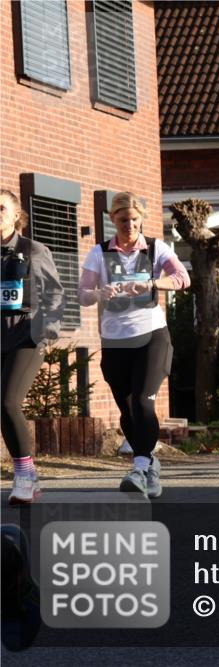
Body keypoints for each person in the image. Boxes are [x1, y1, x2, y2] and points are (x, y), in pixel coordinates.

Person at [79, 192, 190, 497]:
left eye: (134, 219)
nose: (129, 225)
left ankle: (139, 468)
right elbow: (83, 294)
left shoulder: (155, 248)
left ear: (142, 219)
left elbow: (182, 278)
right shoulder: (99, 253)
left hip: (151, 335)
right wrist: (99, 293)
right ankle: (150, 465)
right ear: (112, 219)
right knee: (128, 409)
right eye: (123, 220)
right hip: (115, 341)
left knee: (143, 401)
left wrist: (153, 283)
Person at [1, 189, 63, 505]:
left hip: (26, 337)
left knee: (8, 401)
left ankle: (25, 477)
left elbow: (54, 294)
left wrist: (46, 332)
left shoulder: (33, 250)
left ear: (16, 215)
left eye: (1, 208)